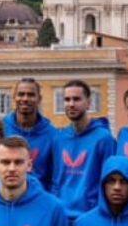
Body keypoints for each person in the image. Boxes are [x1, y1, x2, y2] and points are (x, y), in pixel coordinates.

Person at [50, 78, 118, 216]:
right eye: (67, 99)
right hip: (62, 215)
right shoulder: (59, 138)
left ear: (88, 103)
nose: (71, 104)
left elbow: (108, 180)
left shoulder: (104, 139)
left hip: (90, 215)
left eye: (76, 99)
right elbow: (56, 180)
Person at [7, 77, 61, 191]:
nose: (25, 99)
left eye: (31, 95)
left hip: (39, 200)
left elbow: (56, 177)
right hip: (6, 199)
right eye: (21, 94)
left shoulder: (53, 135)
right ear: (14, 97)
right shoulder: (1, 130)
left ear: (39, 99)